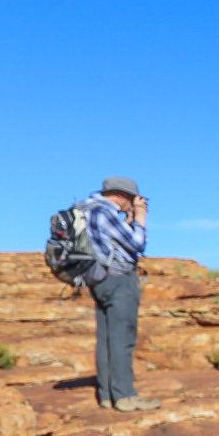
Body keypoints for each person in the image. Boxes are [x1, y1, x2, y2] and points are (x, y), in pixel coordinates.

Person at [85, 176, 160, 411]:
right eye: (133, 199)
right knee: (122, 339)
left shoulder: (87, 210)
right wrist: (140, 218)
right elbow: (137, 244)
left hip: (98, 279)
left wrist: (127, 221)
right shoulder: (105, 212)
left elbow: (113, 242)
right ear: (122, 196)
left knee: (107, 339)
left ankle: (107, 395)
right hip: (118, 280)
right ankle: (125, 396)